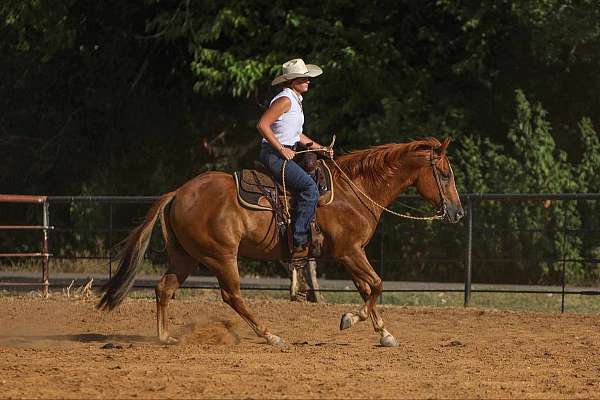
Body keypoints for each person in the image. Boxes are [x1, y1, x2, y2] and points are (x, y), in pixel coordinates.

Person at [256, 58, 333, 259]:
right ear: (292, 81)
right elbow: (262, 125)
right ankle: (299, 241)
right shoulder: (285, 100)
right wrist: (281, 149)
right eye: (303, 78)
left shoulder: (295, 101)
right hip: (274, 155)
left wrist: (321, 148)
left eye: (307, 78)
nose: (308, 81)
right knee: (309, 188)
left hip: (284, 153)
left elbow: (297, 135)